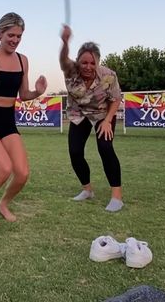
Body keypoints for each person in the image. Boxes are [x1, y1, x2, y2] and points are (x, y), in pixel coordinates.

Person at [0, 12, 47, 226]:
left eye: (19, 36)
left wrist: (37, 92)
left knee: (22, 173)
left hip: (7, 120)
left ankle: (3, 203)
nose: (14, 40)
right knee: (4, 168)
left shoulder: (23, 60)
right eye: (10, 35)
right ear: (0, 33)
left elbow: (23, 95)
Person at [59, 25, 124, 212]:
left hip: (103, 113)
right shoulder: (70, 70)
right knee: (75, 151)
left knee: (105, 147)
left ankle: (117, 197)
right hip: (79, 113)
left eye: (92, 63)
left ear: (98, 62)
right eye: (84, 62)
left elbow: (116, 98)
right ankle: (87, 190)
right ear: (78, 61)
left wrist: (108, 120)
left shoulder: (108, 75)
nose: (88, 67)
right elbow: (63, 59)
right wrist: (65, 42)